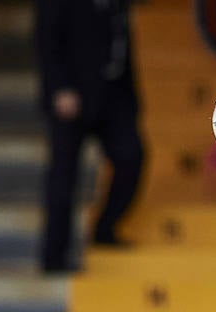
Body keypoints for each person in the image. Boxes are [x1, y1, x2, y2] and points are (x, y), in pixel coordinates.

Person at [35, 0, 144, 273]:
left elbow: (121, 42)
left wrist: (131, 99)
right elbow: (45, 40)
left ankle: (104, 229)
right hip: (73, 96)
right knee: (63, 179)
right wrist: (59, 88)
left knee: (131, 156)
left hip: (113, 95)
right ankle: (54, 257)